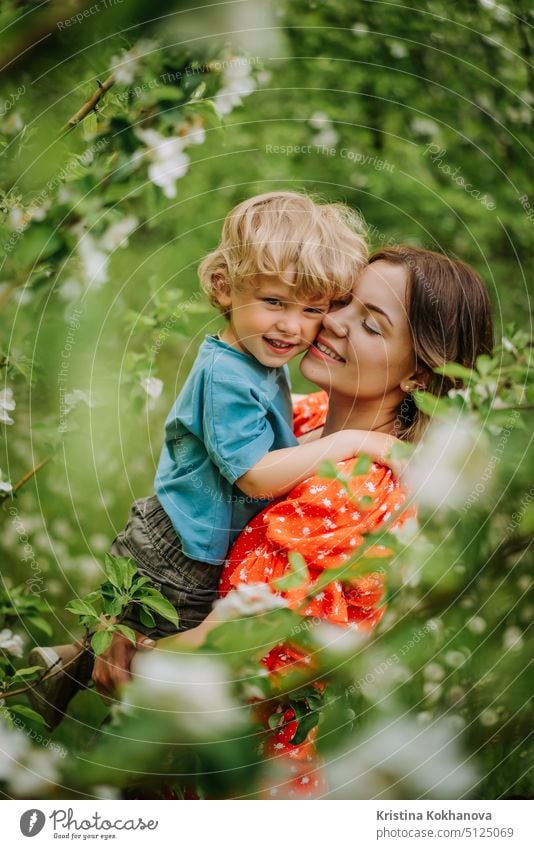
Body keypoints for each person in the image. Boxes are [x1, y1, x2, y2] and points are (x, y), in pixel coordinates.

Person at [132, 245, 494, 798]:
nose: (334, 323)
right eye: (344, 300)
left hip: (227, 775)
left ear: (421, 374)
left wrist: (119, 649)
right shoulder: (307, 414)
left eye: (371, 325)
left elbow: (227, 655)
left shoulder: (357, 493)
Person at [29, 191, 396, 727]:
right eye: (274, 302)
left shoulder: (254, 358)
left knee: (121, 652)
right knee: (160, 693)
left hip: (175, 535)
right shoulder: (228, 376)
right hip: (185, 557)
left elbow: (275, 422)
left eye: (312, 309)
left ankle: (53, 676)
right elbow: (254, 478)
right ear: (226, 288)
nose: (293, 327)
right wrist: (352, 443)